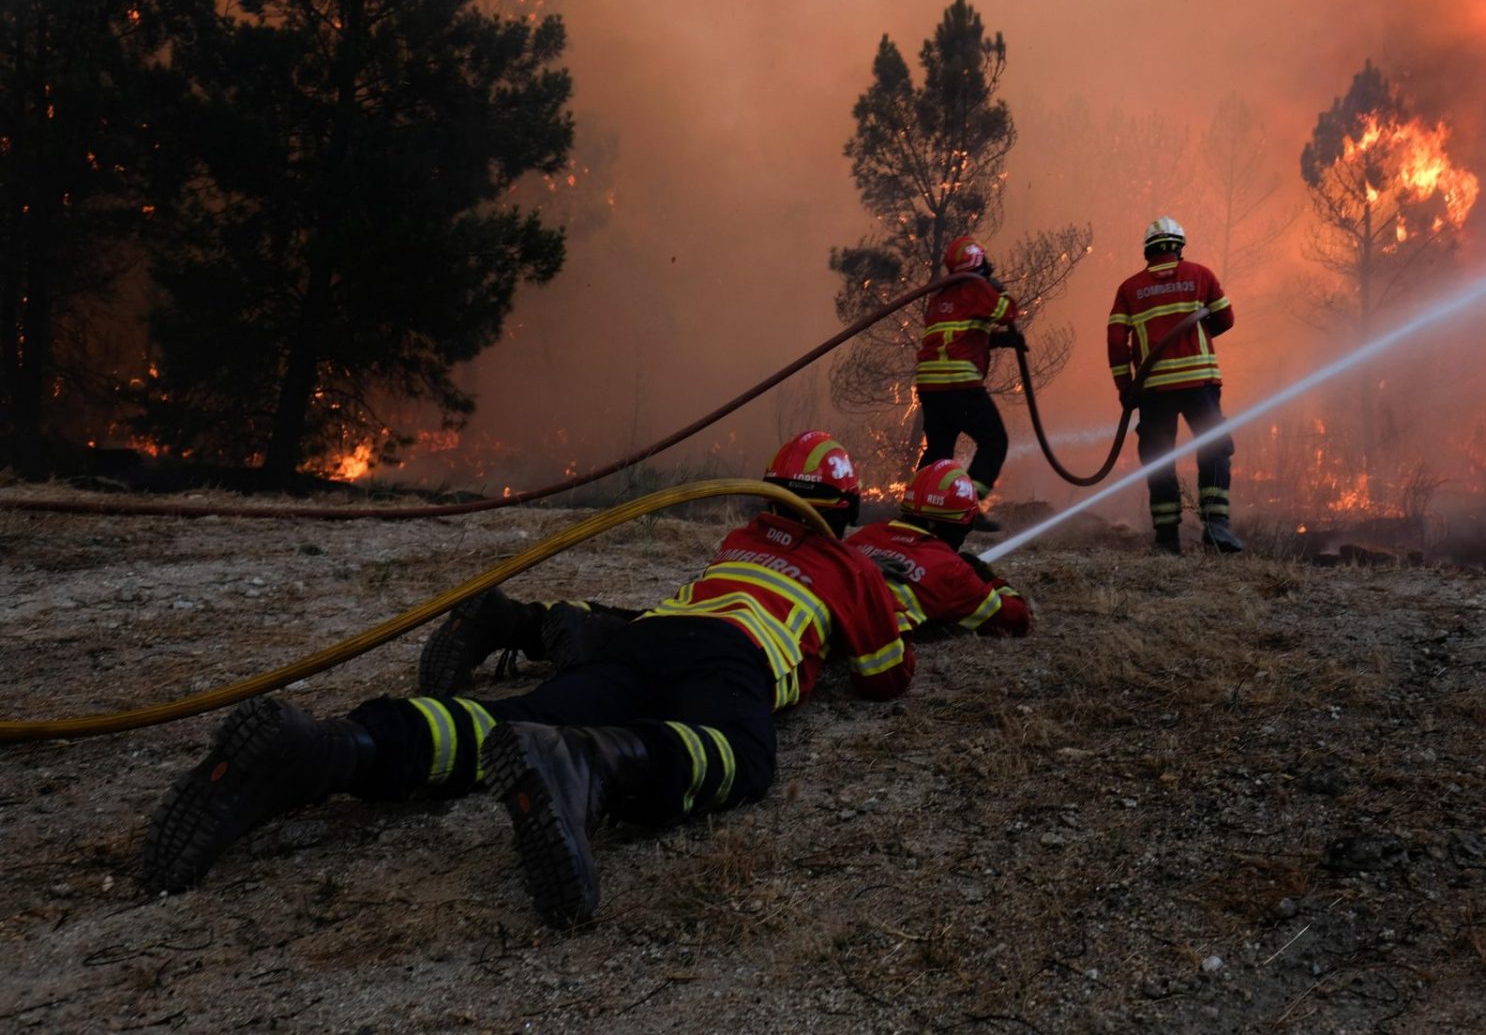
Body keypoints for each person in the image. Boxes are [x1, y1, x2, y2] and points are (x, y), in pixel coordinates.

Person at [141, 431, 911, 928]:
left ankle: (333, 748)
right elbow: (886, 676)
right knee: (739, 753)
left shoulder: (738, 539)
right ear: (844, 510)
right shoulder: (849, 567)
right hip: (732, 656)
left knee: (512, 719)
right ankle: (591, 765)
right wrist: (878, 605)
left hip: (645, 639)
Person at [1107, 216, 1244, 555]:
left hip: (1154, 389)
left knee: (1158, 457)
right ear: (1179, 247)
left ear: (1148, 251)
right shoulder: (1201, 275)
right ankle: (1216, 525)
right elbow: (1225, 318)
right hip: (1199, 382)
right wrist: (1198, 333)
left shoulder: (1129, 289)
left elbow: (1116, 342)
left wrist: (1125, 387)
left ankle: (1167, 539)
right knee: (1213, 446)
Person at [846, 459, 1032, 637]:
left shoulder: (867, 534)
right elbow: (1016, 618)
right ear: (953, 525)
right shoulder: (951, 571)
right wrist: (987, 577)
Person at [914, 235, 1022, 532]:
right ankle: (966, 506)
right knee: (994, 441)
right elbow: (1007, 312)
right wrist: (1000, 290)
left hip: (930, 385)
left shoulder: (940, 296)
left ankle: (917, 508)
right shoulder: (976, 287)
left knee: (938, 449)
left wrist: (1001, 341)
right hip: (959, 382)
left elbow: (959, 337)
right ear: (978, 261)